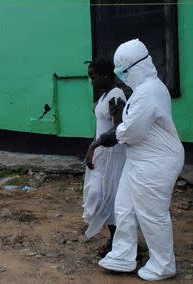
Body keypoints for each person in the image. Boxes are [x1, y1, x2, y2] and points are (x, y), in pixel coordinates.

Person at [97, 39, 184, 281]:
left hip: (157, 161)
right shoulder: (144, 89)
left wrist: (117, 132)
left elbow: (133, 131)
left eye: (121, 70)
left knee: (151, 213)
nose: (119, 75)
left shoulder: (149, 91)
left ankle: (163, 265)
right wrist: (123, 129)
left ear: (133, 67)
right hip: (140, 159)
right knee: (124, 207)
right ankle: (123, 255)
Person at [82, 59, 127, 257]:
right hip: (101, 154)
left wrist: (95, 146)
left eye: (93, 77)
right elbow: (100, 125)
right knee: (100, 195)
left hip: (112, 156)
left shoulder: (116, 96)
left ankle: (119, 243)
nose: (91, 81)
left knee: (108, 197)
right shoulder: (103, 97)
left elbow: (118, 128)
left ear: (106, 76)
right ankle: (114, 239)